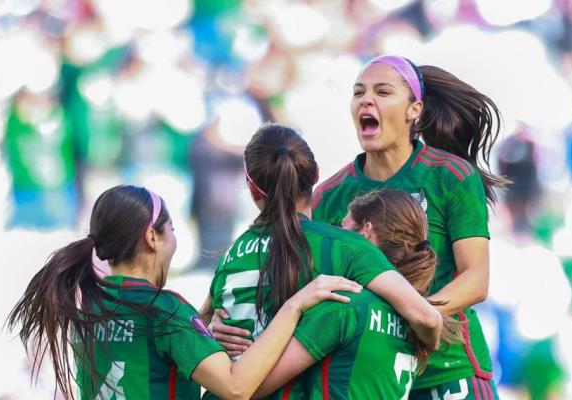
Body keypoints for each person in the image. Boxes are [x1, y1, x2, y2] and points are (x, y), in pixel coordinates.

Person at [6, 185, 363, 400]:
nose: (174, 241)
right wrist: (296, 305)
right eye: (172, 230)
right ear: (152, 238)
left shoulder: (87, 308)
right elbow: (237, 388)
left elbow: (145, 354)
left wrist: (202, 326)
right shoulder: (163, 311)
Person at [310, 55, 509, 399]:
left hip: (448, 370)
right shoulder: (328, 195)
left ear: (414, 110)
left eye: (383, 92)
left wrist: (411, 315)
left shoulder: (451, 175)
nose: (366, 100)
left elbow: (476, 280)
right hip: (371, 380)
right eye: (358, 93)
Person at [204, 124, 444, 397]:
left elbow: (201, 321)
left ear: (252, 188)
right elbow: (427, 318)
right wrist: (427, 346)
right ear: (316, 174)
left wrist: (212, 332)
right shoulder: (342, 246)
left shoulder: (232, 254)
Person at [248, 189, 466, 399]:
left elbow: (251, 386)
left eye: (342, 227)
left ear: (365, 232)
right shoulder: (413, 321)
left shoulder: (343, 306)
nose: (336, 234)